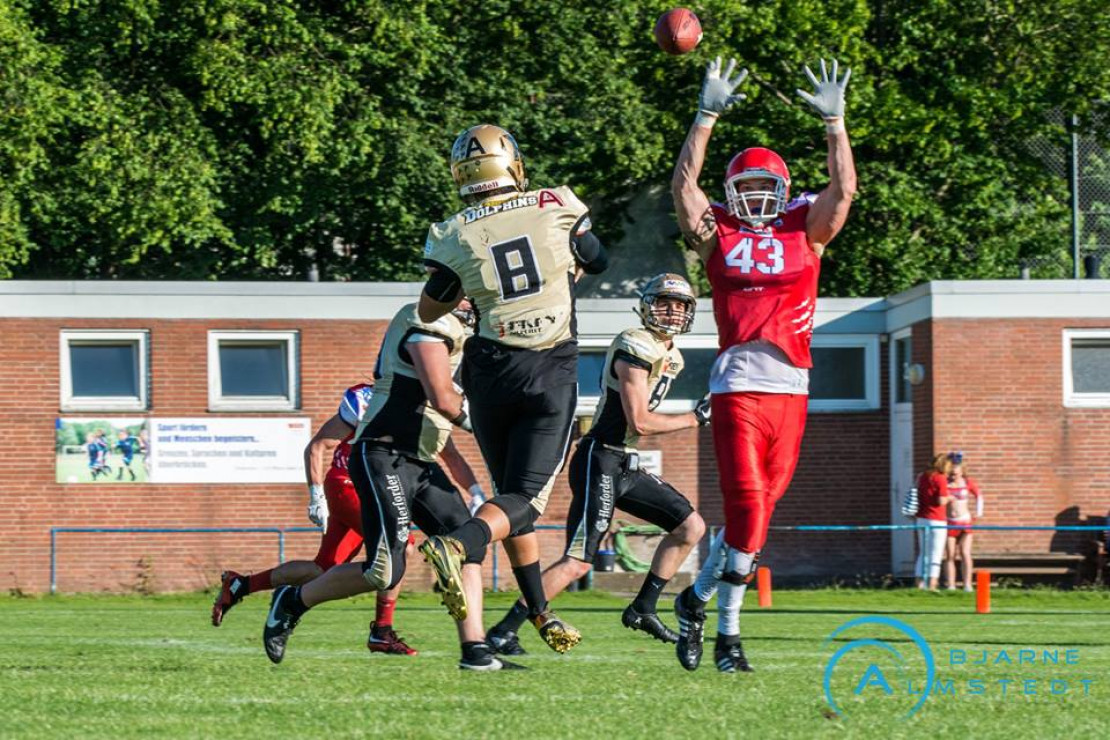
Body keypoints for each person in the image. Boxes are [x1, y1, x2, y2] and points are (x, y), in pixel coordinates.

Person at [669, 56, 857, 672]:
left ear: (780, 190)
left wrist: (835, 123)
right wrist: (705, 115)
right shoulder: (717, 230)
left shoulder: (806, 227)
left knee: (756, 518)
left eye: (761, 187)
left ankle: (695, 599)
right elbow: (683, 189)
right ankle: (728, 634)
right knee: (747, 505)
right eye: (742, 187)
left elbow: (845, 190)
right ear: (731, 192)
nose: (751, 197)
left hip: (792, 388)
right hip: (738, 385)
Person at [416, 123, 609, 654]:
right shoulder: (556, 204)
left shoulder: (452, 231)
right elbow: (599, 259)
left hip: (489, 369)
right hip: (548, 368)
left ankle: (539, 614)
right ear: (513, 166)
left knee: (509, 502)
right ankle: (458, 545)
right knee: (524, 502)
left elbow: (429, 307)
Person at [262, 302, 515, 670]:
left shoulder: (465, 340)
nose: (470, 303)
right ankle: (293, 600)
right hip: (383, 455)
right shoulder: (426, 322)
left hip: (421, 459)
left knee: (469, 543)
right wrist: (498, 429)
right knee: (385, 570)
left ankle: (475, 650)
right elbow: (445, 400)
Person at [485, 274, 709, 655]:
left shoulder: (671, 356)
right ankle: (504, 631)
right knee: (578, 562)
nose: (672, 311)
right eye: (664, 302)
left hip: (622, 461)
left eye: (680, 305)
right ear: (646, 305)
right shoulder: (634, 343)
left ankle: (643, 607)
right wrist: (695, 418)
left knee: (690, 527)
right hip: (599, 457)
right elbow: (639, 420)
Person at [213, 381, 484, 654]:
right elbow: (318, 446)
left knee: (323, 569)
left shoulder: (431, 402)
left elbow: (451, 455)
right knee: (403, 547)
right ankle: (381, 629)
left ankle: (241, 585)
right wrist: (316, 495)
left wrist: (475, 492)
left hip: (372, 486)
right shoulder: (371, 398)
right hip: (350, 484)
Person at [944, 451, 982, 591]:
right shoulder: (945, 483)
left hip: (965, 521)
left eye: (956, 474)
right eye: (951, 474)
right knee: (950, 555)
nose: (954, 476)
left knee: (965, 553)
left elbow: (979, 496)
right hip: (949, 522)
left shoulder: (967, 482)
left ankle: (967, 584)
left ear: (962, 472)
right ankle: (951, 585)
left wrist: (978, 514)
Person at [915, 453, 953, 590]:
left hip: (921, 518)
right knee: (936, 554)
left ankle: (919, 584)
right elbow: (941, 501)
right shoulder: (940, 478)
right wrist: (950, 497)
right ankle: (932, 585)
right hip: (937, 519)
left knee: (923, 553)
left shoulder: (921, 476)